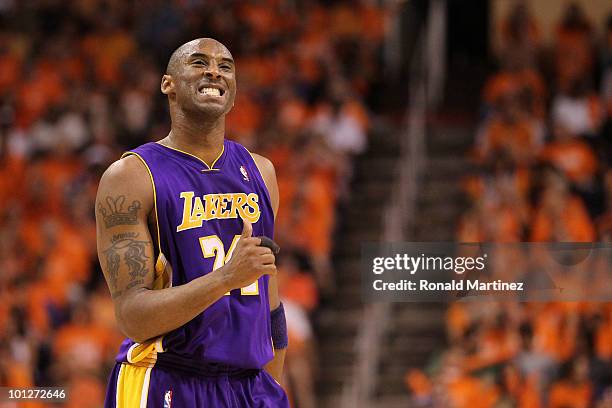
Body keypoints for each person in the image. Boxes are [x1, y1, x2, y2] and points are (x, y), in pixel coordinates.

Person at [95, 38, 289, 407]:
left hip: (248, 387)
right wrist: (226, 278)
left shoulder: (261, 172)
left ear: (233, 92)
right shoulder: (131, 177)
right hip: (165, 378)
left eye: (225, 66)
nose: (214, 71)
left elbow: (269, 295)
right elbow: (133, 317)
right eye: (199, 62)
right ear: (168, 83)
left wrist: (272, 385)